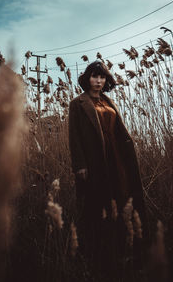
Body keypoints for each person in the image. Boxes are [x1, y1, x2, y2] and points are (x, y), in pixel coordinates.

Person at [68, 60, 149, 280]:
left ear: (106, 80)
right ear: (87, 78)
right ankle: (99, 253)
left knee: (122, 195)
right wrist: (80, 165)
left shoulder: (107, 100)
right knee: (98, 203)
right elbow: (74, 138)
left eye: (102, 77)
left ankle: (124, 246)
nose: (98, 81)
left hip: (117, 157)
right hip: (95, 160)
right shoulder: (78, 103)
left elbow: (119, 130)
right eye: (94, 76)